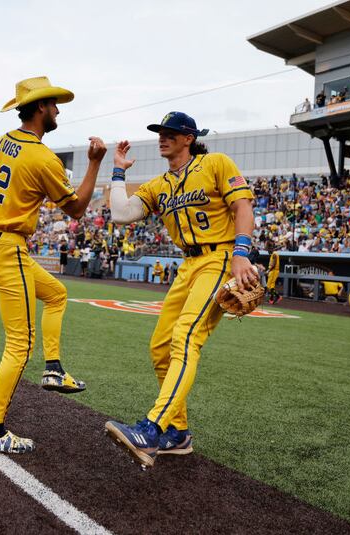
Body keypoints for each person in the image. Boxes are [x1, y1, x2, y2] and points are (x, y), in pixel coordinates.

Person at [104, 111, 258, 468]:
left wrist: (241, 254)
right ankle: (179, 433)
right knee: (160, 348)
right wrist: (118, 171)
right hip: (187, 265)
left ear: (188, 138)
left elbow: (242, 206)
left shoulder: (215, 163)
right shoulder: (159, 185)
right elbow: (121, 214)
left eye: (170, 132)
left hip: (219, 257)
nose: (162, 137)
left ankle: (152, 428)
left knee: (186, 338)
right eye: (160, 132)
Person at [0, 76, 107, 454]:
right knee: (19, 343)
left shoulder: (1, 142)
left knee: (56, 293)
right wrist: (95, 163)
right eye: (53, 103)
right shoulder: (41, 155)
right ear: (40, 108)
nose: (58, 109)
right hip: (8, 245)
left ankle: (53, 369)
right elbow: (77, 209)